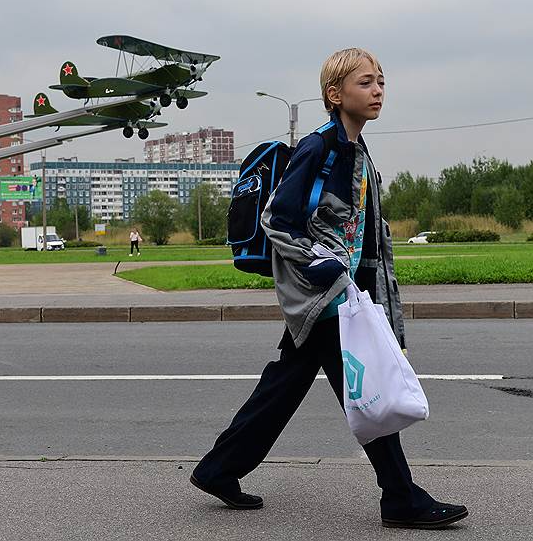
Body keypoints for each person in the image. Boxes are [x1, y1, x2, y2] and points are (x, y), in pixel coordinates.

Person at [190, 48, 468, 529]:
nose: (378, 90)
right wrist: (321, 267)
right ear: (335, 95)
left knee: (285, 385)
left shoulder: (356, 148)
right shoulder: (320, 147)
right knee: (370, 391)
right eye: (366, 82)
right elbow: (278, 218)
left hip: (345, 294)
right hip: (326, 296)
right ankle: (400, 498)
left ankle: (218, 469)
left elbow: (359, 231)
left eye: (381, 81)